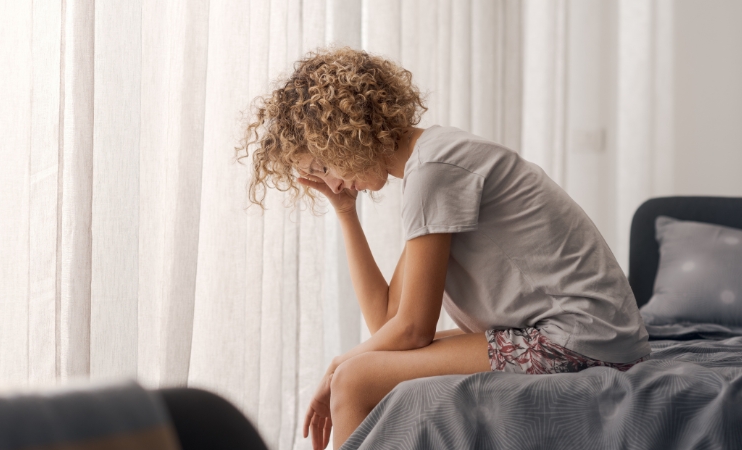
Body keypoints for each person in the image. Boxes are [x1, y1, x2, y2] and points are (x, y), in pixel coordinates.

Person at [237, 46, 651, 450]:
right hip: (589, 333)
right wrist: (346, 213)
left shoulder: (434, 172)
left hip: (583, 338)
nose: (333, 183)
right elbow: (389, 323)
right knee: (359, 370)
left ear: (345, 135)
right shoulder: (431, 162)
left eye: (324, 167)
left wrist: (336, 367)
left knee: (353, 379)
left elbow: (413, 329)